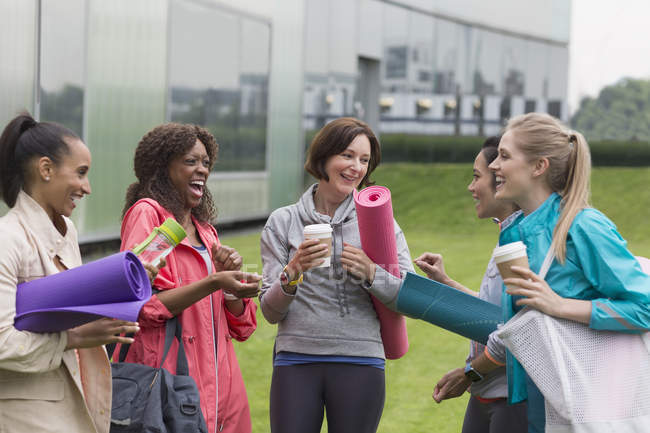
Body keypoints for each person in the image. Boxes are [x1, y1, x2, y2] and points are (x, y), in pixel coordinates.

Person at [466, 113, 650, 433]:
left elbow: (644, 306)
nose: (494, 166)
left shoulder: (585, 227)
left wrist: (561, 306)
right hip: (536, 409)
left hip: (587, 408)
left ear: (539, 167)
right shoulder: (514, 234)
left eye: (505, 157)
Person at [259, 117, 414, 433]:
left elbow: (408, 297)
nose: (356, 167)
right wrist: (293, 271)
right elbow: (270, 312)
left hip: (361, 359)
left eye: (364, 160)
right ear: (323, 157)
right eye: (347, 155)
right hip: (296, 360)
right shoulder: (282, 222)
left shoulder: (380, 223)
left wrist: (371, 273)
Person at [0, 113, 140, 433]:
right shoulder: (7, 239)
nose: (87, 188)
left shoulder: (67, 232)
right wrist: (74, 337)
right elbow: (3, 342)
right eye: (81, 173)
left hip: (74, 404)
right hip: (25, 415)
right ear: (46, 169)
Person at [117, 123, 261, 433]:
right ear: (163, 166)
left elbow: (242, 327)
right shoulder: (150, 215)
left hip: (222, 385)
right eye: (190, 161)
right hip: (167, 383)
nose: (202, 170)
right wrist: (213, 283)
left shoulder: (206, 231)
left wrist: (233, 289)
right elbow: (142, 304)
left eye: (206, 162)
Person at [414, 136, 527, 433]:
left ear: (501, 180)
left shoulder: (523, 242)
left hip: (511, 397)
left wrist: (467, 374)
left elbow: (515, 330)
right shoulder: (507, 236)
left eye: (477, 176)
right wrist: (445, 281)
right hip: (486, 394)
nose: (470, 186)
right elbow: (496, 313)